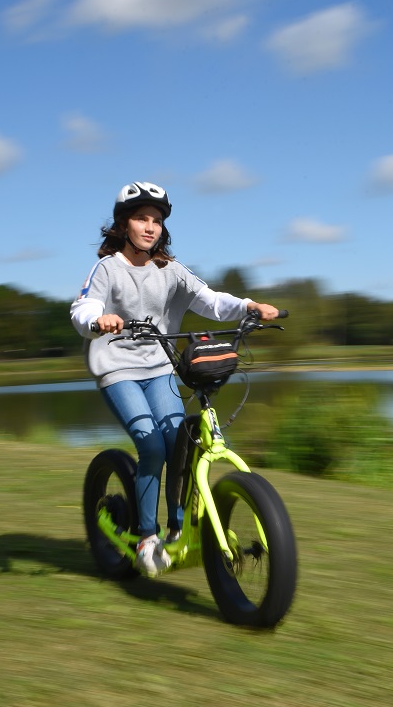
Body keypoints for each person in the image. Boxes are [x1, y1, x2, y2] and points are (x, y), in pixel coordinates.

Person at [70, 181, 279, 576]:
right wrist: (98, 320)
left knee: (181, 445)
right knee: (152, 447)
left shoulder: (171, 270)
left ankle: (177, 529)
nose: (150, 227)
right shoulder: (107, 268)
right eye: (141, 218)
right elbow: (83, 308)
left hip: (160, 368)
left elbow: (211, 300)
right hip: (117, 368)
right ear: (123, 224)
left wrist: (249, 306)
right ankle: (147, 540)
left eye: (157, 220)